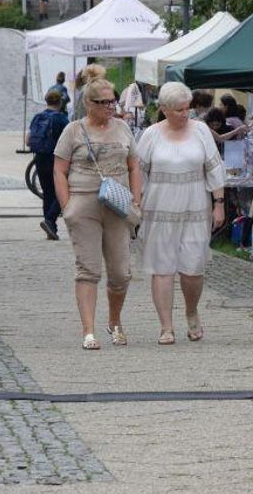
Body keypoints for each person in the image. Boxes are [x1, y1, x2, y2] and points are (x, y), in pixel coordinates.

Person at [54, 78, 143, 350]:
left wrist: (136, 200)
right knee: (88, 269)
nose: (109, 106)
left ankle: (115, 321)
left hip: (118, 204)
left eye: (112, 100)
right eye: (103, 102)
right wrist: (67, 206)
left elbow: (134, 166)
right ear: (88, 103)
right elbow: (59, 169)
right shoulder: (73, 130)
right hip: (83, 201)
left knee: (120, 272)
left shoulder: (123, 128)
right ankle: (89, 331)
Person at [136, 82, 226, 345]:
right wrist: (135, 203)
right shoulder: (151, 134)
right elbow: (138, 173)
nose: (185, 114)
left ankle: (191, 311)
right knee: (161, 268)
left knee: (193, 268)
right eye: (178, 110)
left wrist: (219, 202)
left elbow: (214, 169)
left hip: (195, 209)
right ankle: (166, 326)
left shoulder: (200, 131)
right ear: (163, 109)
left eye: (187, 108)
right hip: (159, 210)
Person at [28, 90, 69, 240]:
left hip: (39, 158)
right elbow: (69, 139)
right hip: (56, 159)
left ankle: (50, 227)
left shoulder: (38, 117)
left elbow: (28, 140)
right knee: (63, 191)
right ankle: (50, 220)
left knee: (47, 193)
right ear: (60, 102)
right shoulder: (61, 119)